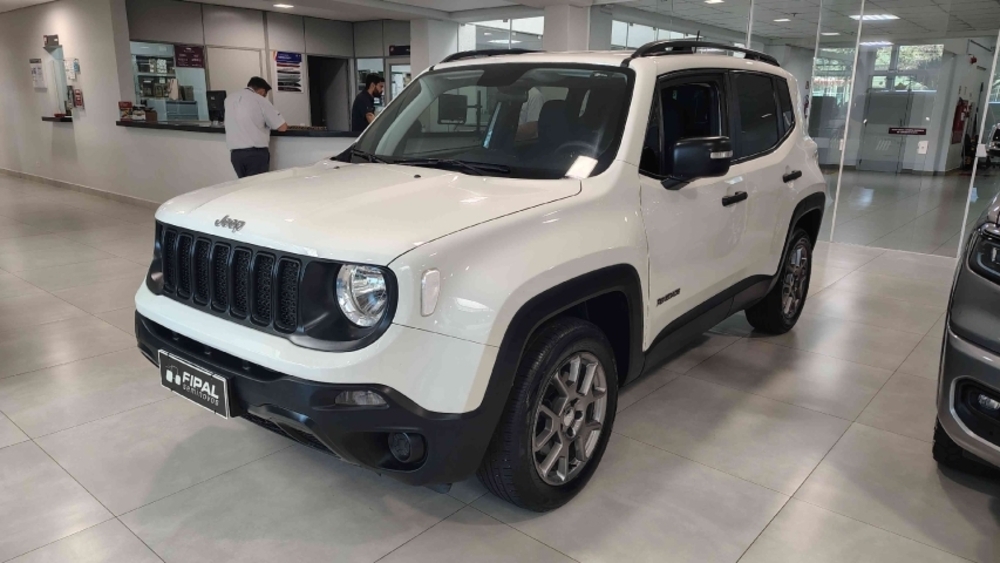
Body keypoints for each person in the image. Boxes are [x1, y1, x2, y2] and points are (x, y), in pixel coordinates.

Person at [224, 77, 287, 178]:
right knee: (257, 186)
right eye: (265, 94)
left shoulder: (229, 99)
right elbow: (282, 127)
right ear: (262, 91)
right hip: (255, 154)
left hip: (236, 155)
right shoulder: (259, 100)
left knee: (244, 185)